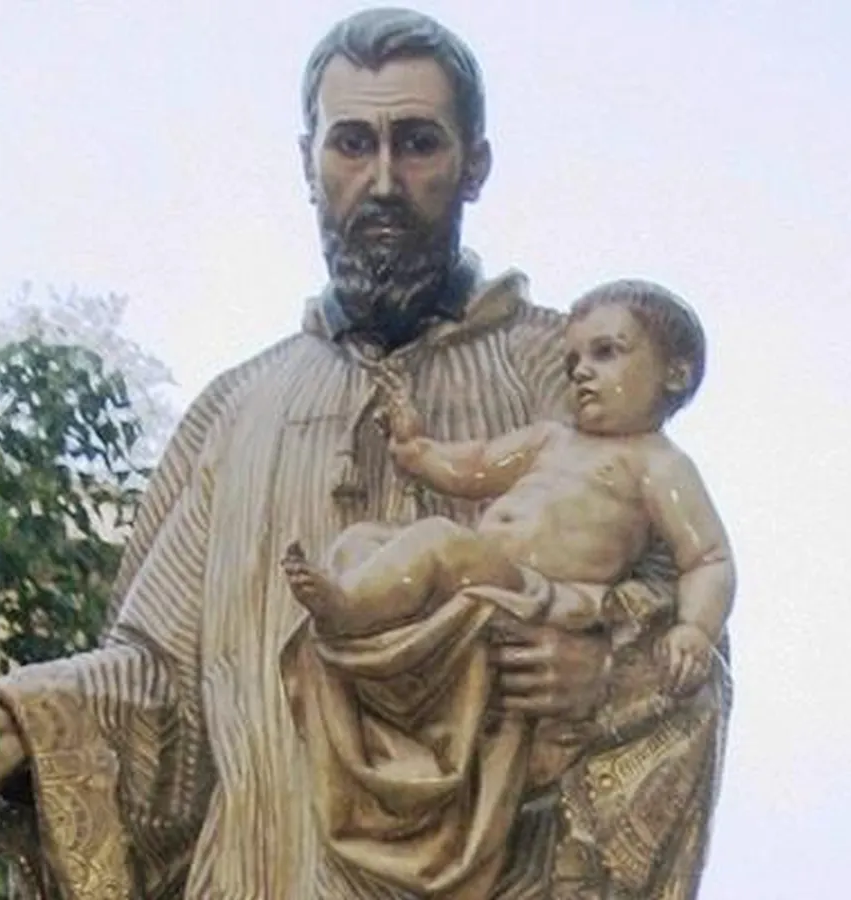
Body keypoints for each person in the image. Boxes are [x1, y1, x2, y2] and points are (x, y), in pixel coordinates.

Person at [0, 9, 733, 899]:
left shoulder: (570, 377)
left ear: (475, 164)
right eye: (353, 144)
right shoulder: (236, 414)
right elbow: (159, 688)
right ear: (309, 163)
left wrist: (613, 672)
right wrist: (18, 729)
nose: (383, 180)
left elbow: (691, 623)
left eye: (418, 142)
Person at [277, 279, 734, 899]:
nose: (582, 372)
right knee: (363, 542)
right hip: (481, 582)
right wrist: (417, 451)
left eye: (607, 353)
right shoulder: (551, 439)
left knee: (439, 542)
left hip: (535, 596)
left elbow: (707, 558)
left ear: (675, 374)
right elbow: (475, 466)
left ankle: (349, 607)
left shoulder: (660, 466)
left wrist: (694, 628)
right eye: (573, 361)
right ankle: (366, 624)